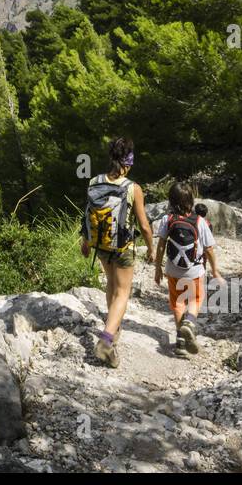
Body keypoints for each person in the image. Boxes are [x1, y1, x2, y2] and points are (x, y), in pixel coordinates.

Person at [80, 137, 155, 368]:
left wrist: (85, 241)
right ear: (129, 162)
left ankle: (115, 326)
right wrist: (151, 248)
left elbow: (88, 213)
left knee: (111, 284)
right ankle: (106, 339)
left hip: (101, 244)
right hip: (123, 246)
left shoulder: (94, 181)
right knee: (123, 292)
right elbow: (143, 225)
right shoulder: (133, 188)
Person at [152, 181, 222, 359]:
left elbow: (160, 246)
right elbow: (209, 249)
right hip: (194, 271)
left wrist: (158, 269)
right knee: (196, 297)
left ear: (171, 200)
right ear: (191, 200)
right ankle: (190, 322)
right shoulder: (199, 221)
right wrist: (215, 271)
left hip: (173, 270)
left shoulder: (167, 220)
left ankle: (180, 343)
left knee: (177, 303)